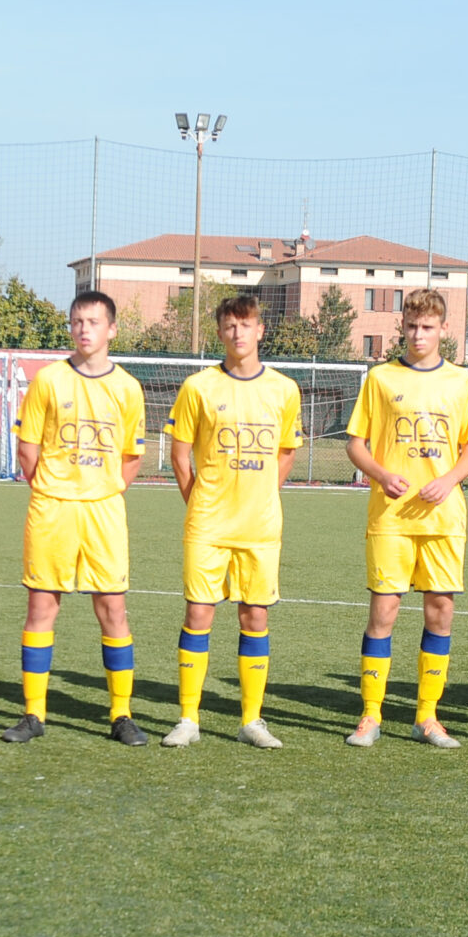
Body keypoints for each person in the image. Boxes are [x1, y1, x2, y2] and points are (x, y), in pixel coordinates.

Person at [5, 290, 148, 745]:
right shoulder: (48, 381)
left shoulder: (127, 387)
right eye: (77, 321)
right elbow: (28, 450)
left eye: (93, 321)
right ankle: (33, 714)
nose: (84, 329)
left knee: (113, 609)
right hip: (52, 509)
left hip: (104, 511)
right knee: (42, 607)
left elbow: (131, 458)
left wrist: (101, 491)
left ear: (112, 329)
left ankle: (121, 714)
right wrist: (54, 489)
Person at [345, 288, 468, 748]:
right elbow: (356, 444)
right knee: (384, 612)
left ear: (444, 328)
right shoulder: (380, 378)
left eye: (427, 327)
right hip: (391, 517)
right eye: (411, 326)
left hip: (443, 518)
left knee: (440, 613)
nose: (418, 334)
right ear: (401, 327)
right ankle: (370, 715)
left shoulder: (461, 381)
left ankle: (427, 717)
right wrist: (382, 474)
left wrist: (449, 480)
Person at [163, 294, 301, 749]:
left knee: (255, 615)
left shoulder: (284, 389)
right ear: (220, 332)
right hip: (208, 523)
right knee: (198, 613)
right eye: (229, 325)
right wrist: (199, 501)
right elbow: (179, 454)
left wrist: (263, 494)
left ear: (260, 330)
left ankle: (251, 721)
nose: (238, 332)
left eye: (246, 324)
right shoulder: (198, 386)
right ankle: (188, 718)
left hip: (260, 526)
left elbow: (286, 451)